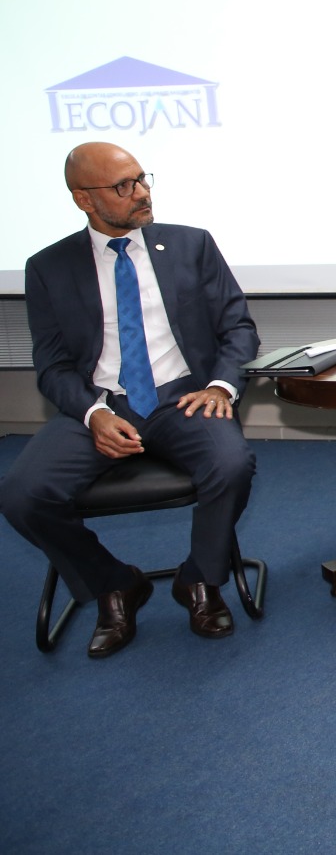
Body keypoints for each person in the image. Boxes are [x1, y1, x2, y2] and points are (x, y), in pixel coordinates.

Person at [0, 142, 259, 658]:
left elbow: (238, 328)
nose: (141, 193)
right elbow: (52, 365)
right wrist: (93, 413)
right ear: (83, 199)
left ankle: (200, 582)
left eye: (143, 179)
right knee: (21, 495)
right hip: (100, 405)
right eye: (124, 186)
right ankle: (114, 584)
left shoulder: (192, 245)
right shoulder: (48, 267)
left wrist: (220, 386)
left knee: (231, 465)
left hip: (183, 396)